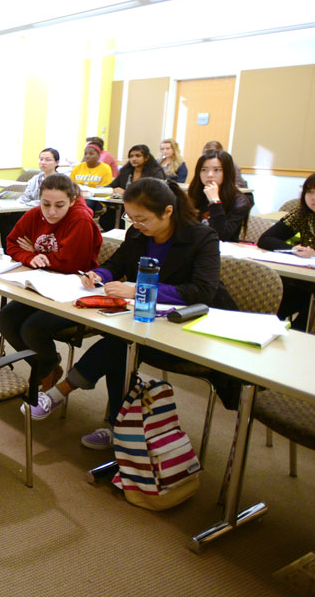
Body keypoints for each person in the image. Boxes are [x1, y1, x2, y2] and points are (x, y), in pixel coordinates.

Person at [27, 179, 237, 449]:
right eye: (131, 217)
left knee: (120, 346)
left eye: (142, 218)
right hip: (147, 321)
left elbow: (201, 291)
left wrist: (140, 289)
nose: (136, 224)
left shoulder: (201, 237)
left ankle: (63, 395)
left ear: (168, 212)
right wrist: (97, 274)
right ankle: (118, 429)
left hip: (192, 327)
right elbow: (117, 263)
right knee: (122, 343)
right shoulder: (138, 234)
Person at [0, 174, 102, 393]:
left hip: (73, 293)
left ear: (72, 201)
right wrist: (29, 257)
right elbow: (11, 243)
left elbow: (71, 263)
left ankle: (44, 368)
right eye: (46, 204)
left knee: (31, 329)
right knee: (5, 319)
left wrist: (35, 251)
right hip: (41, 286)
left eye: (59, 205)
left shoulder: (80, 219)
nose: (51, 211)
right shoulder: (35, 214)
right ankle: (47, 367)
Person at [257, 172, 315, 330]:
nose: (313, 198)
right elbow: (266, 239)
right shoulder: (302, 215)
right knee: (275, 290)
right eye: (309, 192)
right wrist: (293, 249)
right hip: (302, 278)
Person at [0, 148, 60, 240]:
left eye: (48, 160)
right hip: (29, 209)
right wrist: (13, 207)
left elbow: (47, 202)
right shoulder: (35, 179)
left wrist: (26, 205)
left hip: (45, 213)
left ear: (56, 162)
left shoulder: (60, 180)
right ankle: (3, 247)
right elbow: (25, 197)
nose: (43, 162)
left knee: (6, 218)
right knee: (4, 215)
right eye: (41, 159)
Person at [187, 150, 251, 242]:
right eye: (204, 170)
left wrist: (215, 201)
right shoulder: (196, 194)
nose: (209, 175)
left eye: (217, 170)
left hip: (221, 251)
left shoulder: (240, 202)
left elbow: (221, 236)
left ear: (227, 172)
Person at [103, 144, 166, 230]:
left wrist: (126, 193)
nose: (134, 159)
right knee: (106, 220)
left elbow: (154, 193)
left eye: (138, 156)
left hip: (145, 208)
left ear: (146, 158)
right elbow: (113, 185)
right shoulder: (126, 171)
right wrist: (103, 189)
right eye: (131, 156)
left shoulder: (155, 172)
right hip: (124, 207)